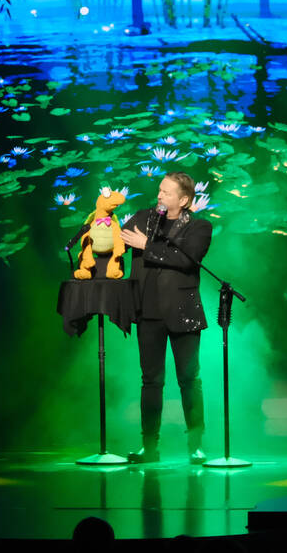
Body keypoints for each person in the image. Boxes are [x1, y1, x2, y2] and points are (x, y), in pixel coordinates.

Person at [119, 171, 212, 465]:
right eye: (160, 190)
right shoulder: (144, 217)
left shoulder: (199, 227)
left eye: (167, 193)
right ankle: (149, 447)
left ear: (184, 200)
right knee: (151, 381)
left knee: (188, 379)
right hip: (148, 311)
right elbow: (120, 240)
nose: (159, 196)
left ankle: (196, 445)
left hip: (182, 311)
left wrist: (146, 245)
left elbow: (186, 260)